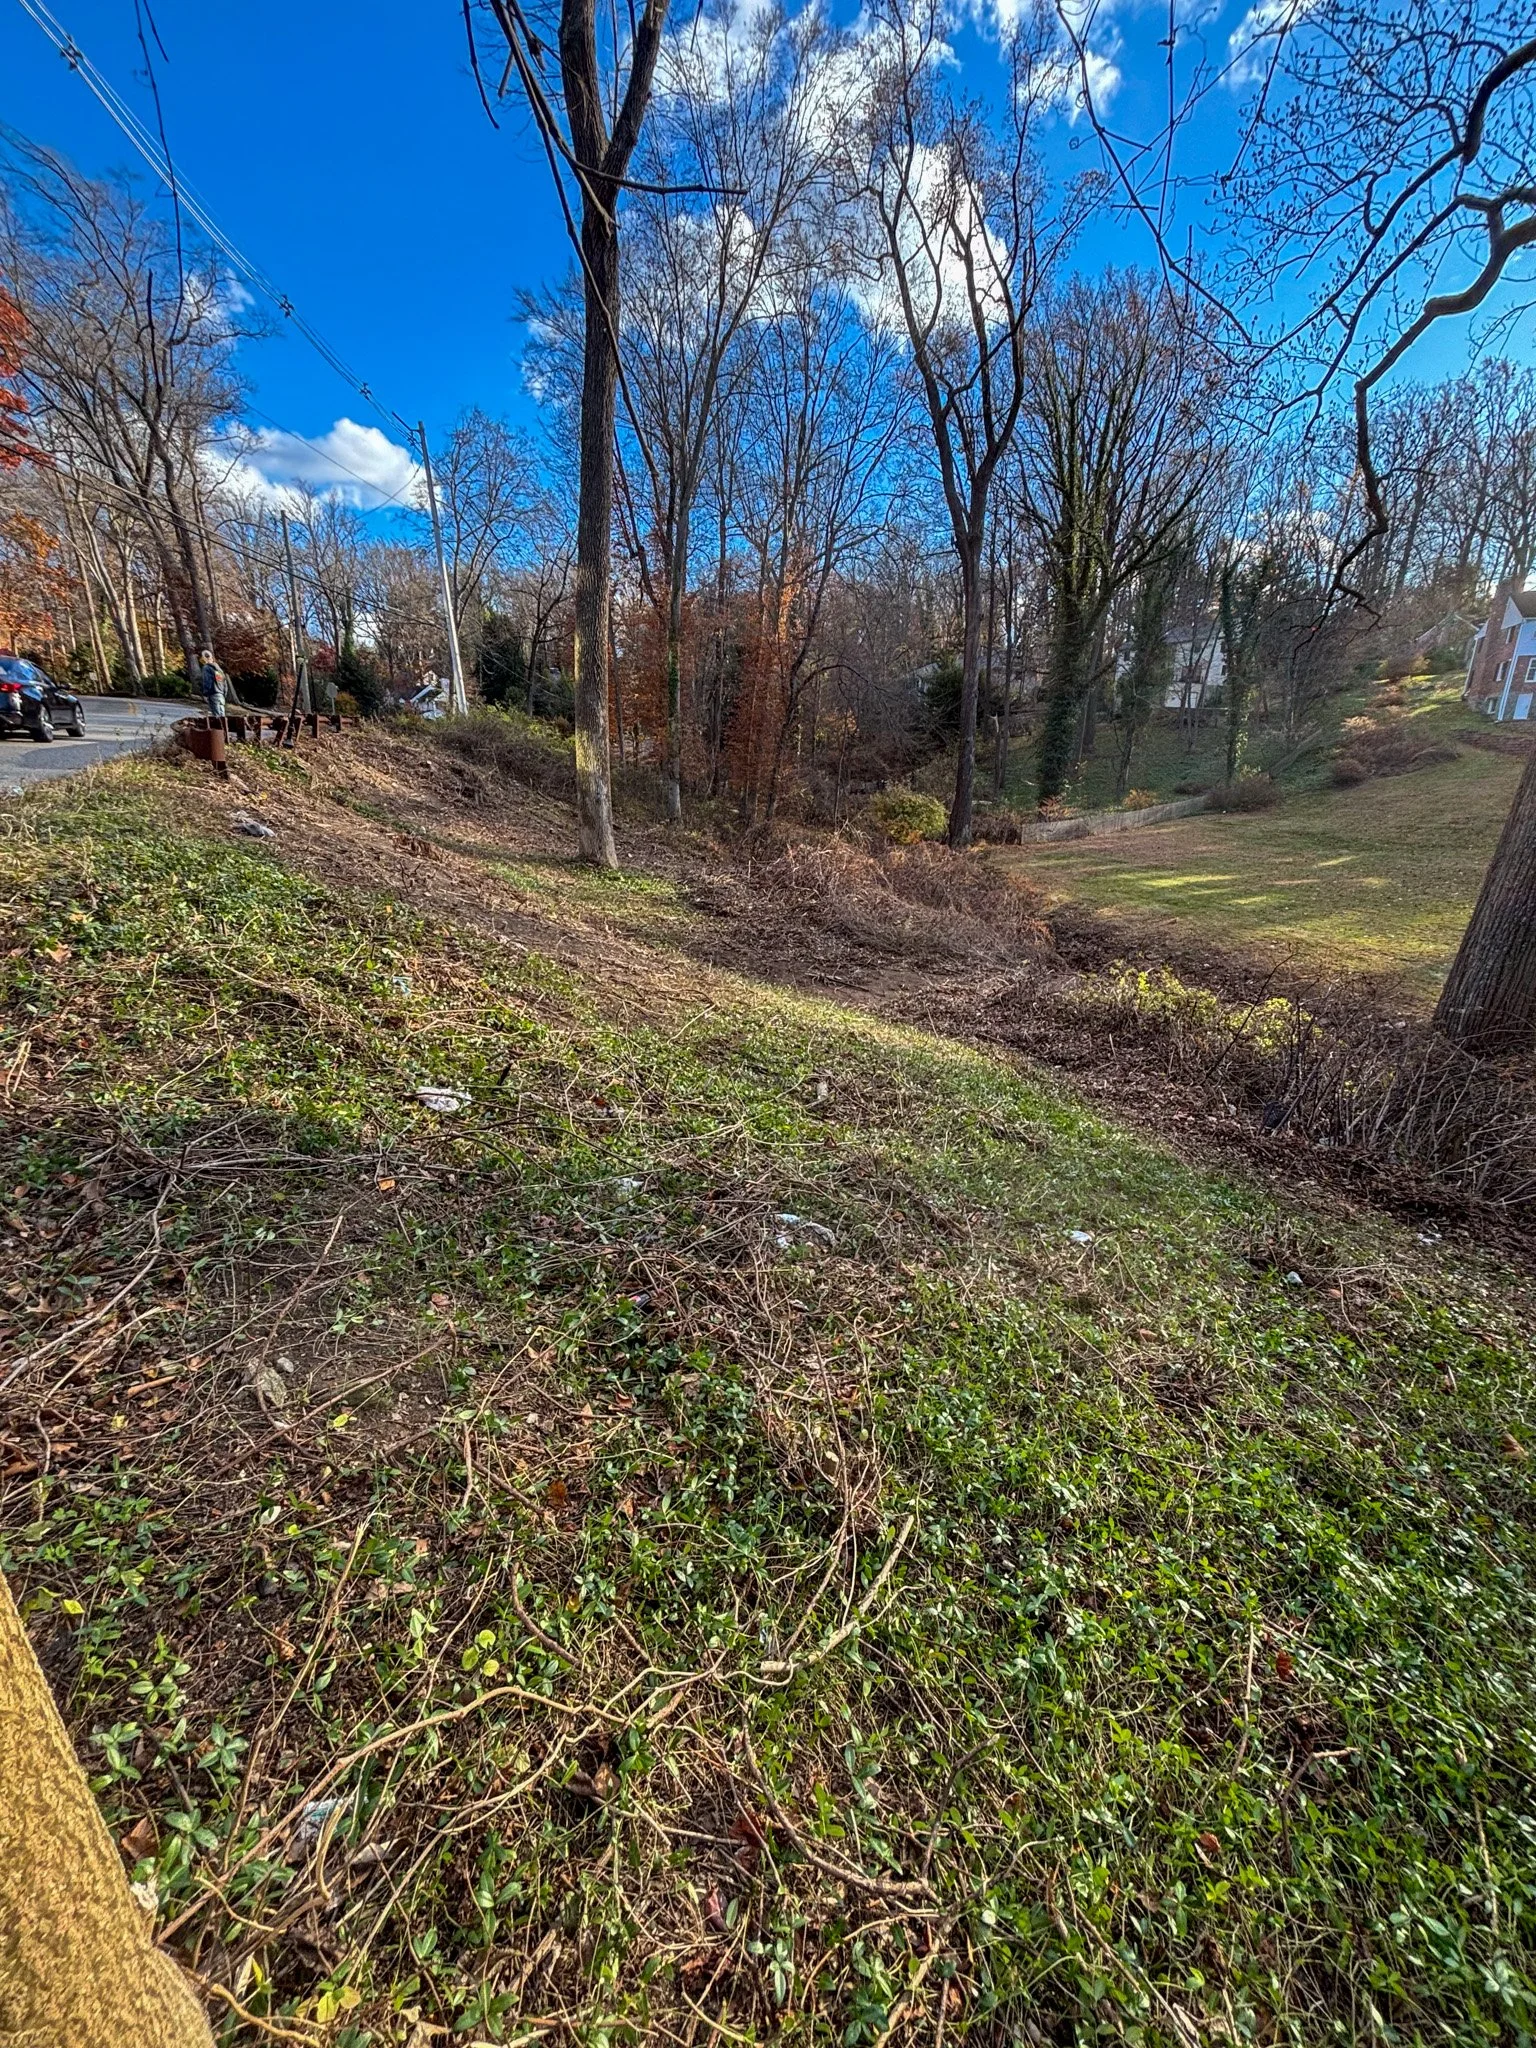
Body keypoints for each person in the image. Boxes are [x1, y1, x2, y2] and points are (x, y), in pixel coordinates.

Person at [197, 648, 229, 721]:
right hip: (221, 696)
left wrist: (205, 694)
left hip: (213, 694)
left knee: (217, 717)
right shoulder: (219, 669)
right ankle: (224, 731)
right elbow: (225, 683)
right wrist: (224, 694)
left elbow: (207, 681)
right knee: (222, 717)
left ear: (204, 658)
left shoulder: (206, 668)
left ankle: (219, 731)